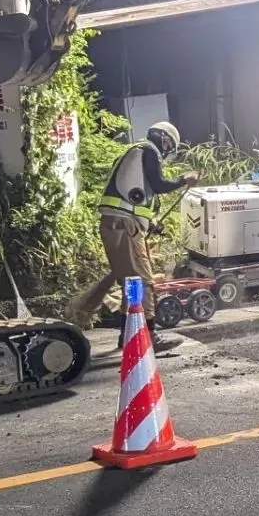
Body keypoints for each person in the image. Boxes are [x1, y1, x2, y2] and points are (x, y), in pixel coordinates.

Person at [68, 120, 197, 350]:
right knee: (144, 283)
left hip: (118, 225)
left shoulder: (134, 154)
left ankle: (129, 335)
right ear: (163, 139)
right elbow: (158, 185)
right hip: (125, 227)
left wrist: (152, 223)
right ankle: (148, 336)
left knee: (132, 284)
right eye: (168, 145)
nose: (167, 150)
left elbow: (134, 199)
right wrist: (183, 180)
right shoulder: (148, 151)